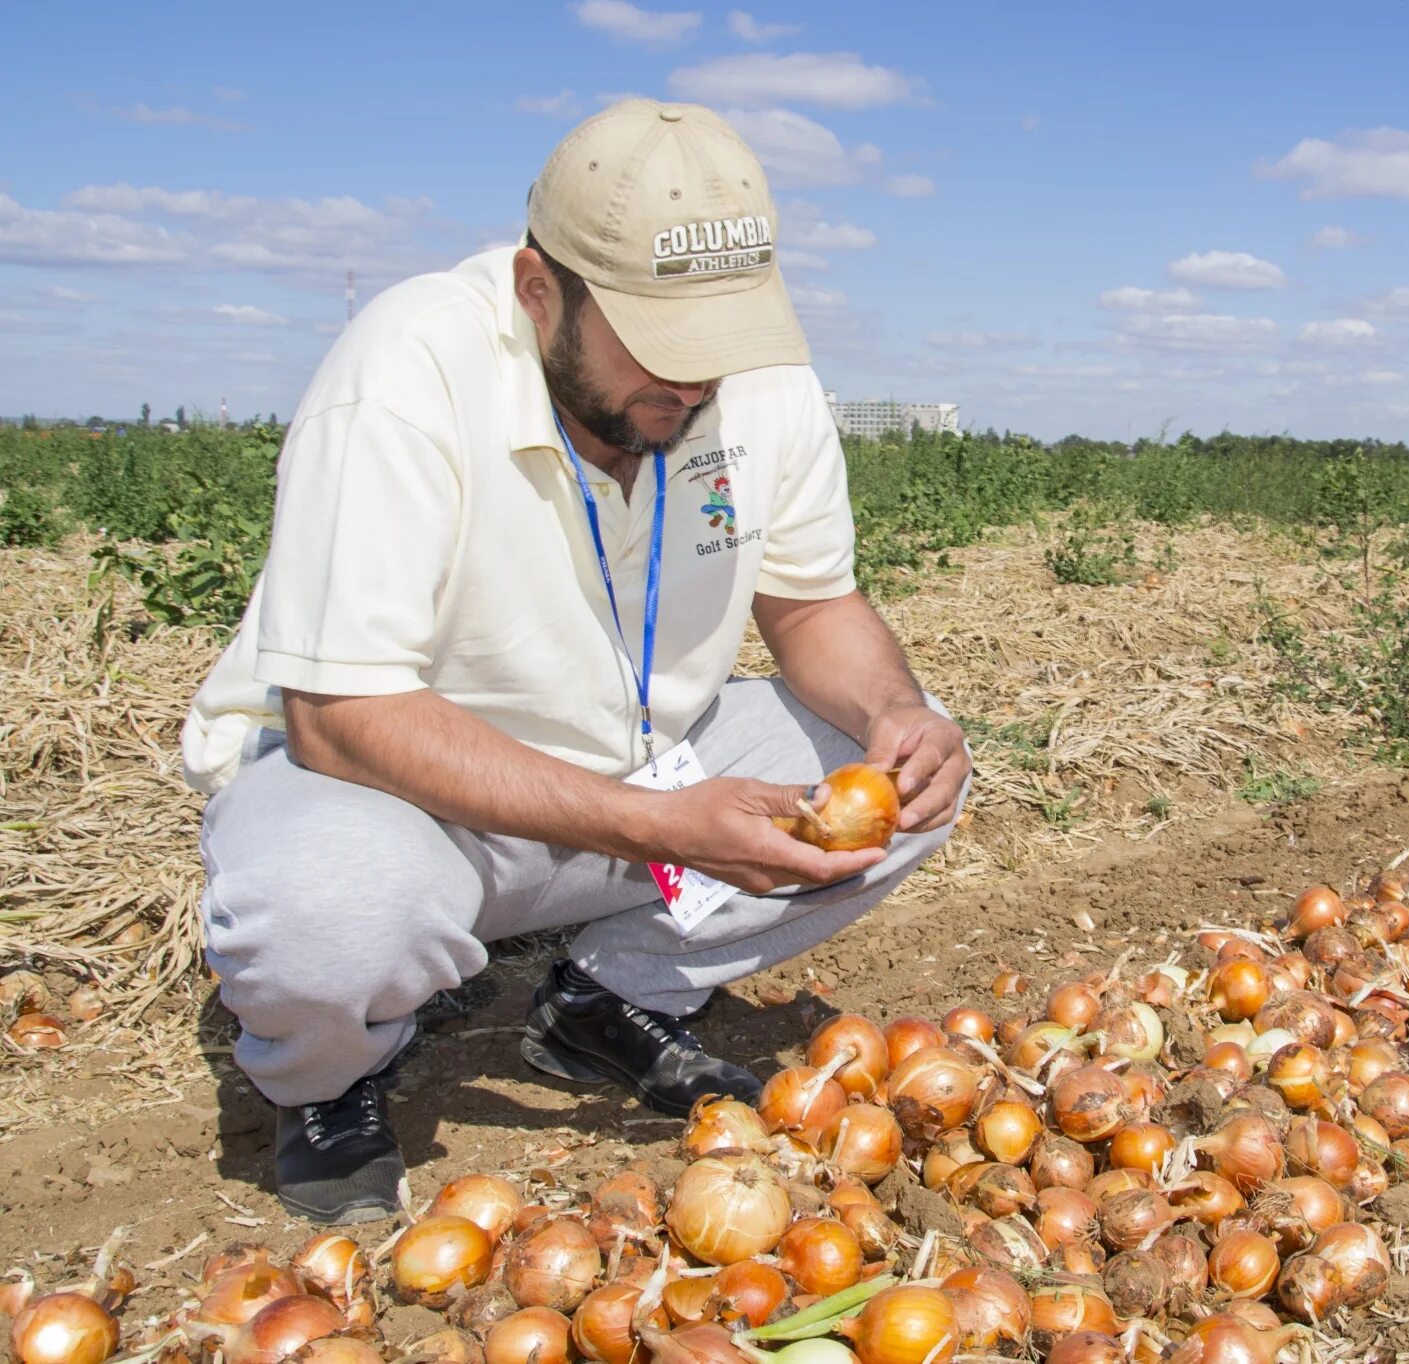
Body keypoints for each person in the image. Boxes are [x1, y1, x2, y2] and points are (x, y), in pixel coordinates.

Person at [179, 100, 972, 1225]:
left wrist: (898, 710)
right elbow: (341, 715)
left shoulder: (759, 386)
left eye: (717, 344)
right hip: (407, 798)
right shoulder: (408, 369)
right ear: (538, 287)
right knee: (330, 910)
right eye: (659, 344)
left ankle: (609, 1000)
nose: (694, 385)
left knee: (902, 770)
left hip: (645, 773)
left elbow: (814, 606)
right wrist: (658, 827)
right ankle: (330, 1081)